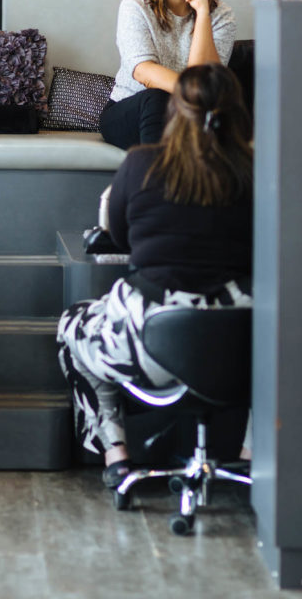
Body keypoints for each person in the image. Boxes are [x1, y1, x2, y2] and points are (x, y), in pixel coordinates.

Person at [57, 63, 253, 490]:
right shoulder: (258, 173)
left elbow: (121, 238)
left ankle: (116, 455)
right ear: (238, 113)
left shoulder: (141, 164)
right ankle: (249, 455)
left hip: (151, 351)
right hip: (243, 354)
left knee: (74, 324)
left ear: (174, 111)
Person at [100, 0, 236, 150]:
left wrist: (202, 13)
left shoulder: (221, 15)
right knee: (158, 98)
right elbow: (144, 72)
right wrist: (193, 94)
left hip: (187, 114)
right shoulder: (135, 5)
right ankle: (159, 182)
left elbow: (202, 78)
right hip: (130, 111)